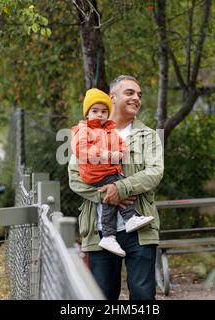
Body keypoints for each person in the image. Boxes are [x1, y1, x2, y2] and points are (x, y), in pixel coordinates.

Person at [68, 75, 164, 300]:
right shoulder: (86, 133)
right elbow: (75, 177)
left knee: (143, 296)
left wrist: (120, 189)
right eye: (130, 93)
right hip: (99, 230)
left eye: (139, 95)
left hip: (140, 228)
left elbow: (154, 172)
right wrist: (106, 196)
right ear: (112, 98)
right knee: (102, 295)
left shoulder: (148, 135)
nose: (136, 98)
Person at [70, 88, 155, 257]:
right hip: (94, 173)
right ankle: (118, 227)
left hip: (107, 171)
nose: (99, 115)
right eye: (95, 111)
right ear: (87, 113)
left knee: (117, 184)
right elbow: (82, 150)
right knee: (114, 186)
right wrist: (107, 155)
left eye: (103, 111)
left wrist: (122, 151)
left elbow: (120, 144)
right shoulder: (83, 130)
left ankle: (118, 229)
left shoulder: (109, 130)